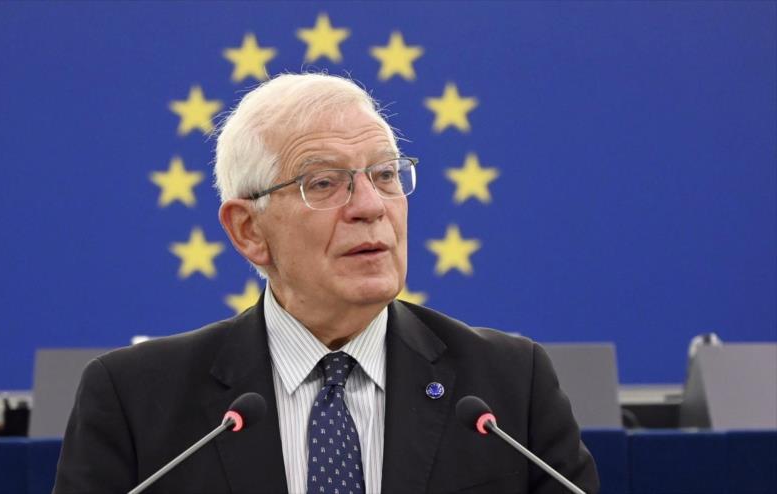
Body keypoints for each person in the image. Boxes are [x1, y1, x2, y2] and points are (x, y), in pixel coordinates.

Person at [53, 73, 599, 494]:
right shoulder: (134, 400)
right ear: (249, 231)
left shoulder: (508, 387)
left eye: (385, 175)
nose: (370, 207)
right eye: (324, 183)